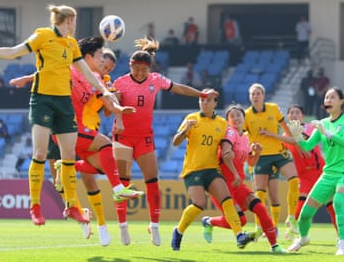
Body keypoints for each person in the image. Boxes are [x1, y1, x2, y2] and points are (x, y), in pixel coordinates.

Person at [0, 4, 115, 226]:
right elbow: (15, 51)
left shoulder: (71, 44)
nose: (75, 25)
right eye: (73, 21)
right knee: (40, 152)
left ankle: (72, 206)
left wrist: (103, 91)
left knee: (68, 157)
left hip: (64, 103)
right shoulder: (42, 35)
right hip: (43, 100)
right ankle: (35, 206)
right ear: (67, 21)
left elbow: (87, 73)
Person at [10, 36, 144, 246]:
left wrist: (118, 110)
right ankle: (83, 212)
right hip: (64, 126)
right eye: (102, 62)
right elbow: (49, 73)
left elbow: (109, 105)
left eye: (108, 67)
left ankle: (100, 222)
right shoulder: (75, 70)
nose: (104, 68)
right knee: (61, 183)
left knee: (98, 169)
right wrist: (26, 79)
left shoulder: (99, 81)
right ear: (90, 58)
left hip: (85, 128)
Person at [111, 38, 219, 246]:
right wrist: (117, 116)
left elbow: (179, 88)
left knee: (153, 182)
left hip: (144, 138)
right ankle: (123, 226)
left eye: (144, 69)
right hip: (122, 138)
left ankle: (154, 226)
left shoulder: (155, 79)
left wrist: (200, 93)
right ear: (130, 66)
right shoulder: (121, 82)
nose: (140, 73)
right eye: (137, 69)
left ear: (149, 68)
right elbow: (112, 103)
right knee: (123, 185)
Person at [171, 92, 252, 251]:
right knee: (199, 204)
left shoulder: (222, 124)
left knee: (227, 199)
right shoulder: (191, 118)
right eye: (201, 100)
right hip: (193, 170)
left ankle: (239, 235)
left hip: (212, 170)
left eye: (208, 100)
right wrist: (185, 130)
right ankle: (178, 231)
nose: (204, 103)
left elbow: (226, 147)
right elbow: (175, 142)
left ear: (215, 103)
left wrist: (230, 154)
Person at [200, 104, 286, 253]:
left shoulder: (245, 138)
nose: (236, 118)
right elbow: (226, 156)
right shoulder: (229, 134)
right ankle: (208, 222)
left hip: (237, 183)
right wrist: (235, 174)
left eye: (238, 115)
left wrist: (257, 153)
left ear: (244, 118)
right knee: (241, 220)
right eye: (232, 116)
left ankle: (275, 246)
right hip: (222, 185)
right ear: (228, 120)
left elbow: (250, 162)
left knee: (260, 208)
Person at [287, 87, 344, 256]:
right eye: (326, 98)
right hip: (328, 175)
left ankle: (342, 244)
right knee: (304, 215)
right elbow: (308, 146)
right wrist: (297, 138)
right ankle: (303, 238)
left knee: (339, 202)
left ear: (342, 101)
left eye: (333, 97)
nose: (328, 100)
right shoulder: (322, 123)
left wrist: (326, 132)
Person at [243, 83, 299, 238]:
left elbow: (287, 132)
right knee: (260, 194)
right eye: (252, 94)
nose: (255, 96)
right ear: (250, 97)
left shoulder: (273, 109)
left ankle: (291, 218)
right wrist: (251, 146)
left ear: (263, 96)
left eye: (258, 93)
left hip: (278, 152)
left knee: (294, 180)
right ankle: (258, 226)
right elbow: (242, 137)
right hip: (261, 156)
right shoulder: (247, 115)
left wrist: (284, 139)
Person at [282, 105, 336, 238]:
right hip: (304, 175)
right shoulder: (285, 136)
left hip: (320, 171)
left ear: (302, 116)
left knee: (331, 204)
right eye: (291, 113)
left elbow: (302, 140)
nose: (294, 115)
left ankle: (342, 234)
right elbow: (283, 151)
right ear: (288, 117)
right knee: (301, 204)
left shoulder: (311, 128)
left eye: (297, 113)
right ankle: (295, 230)